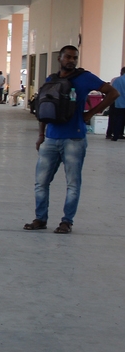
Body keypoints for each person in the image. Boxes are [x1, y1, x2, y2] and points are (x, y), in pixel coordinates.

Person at [24, 45, 119, 234]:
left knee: (73, 183)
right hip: (51, 138)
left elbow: (113, 93)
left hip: (74, 138)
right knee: (41, 182)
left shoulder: (85, 77)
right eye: (68, 57)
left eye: (75, 57)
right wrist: (41, 135)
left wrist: (90, 113)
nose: (72, 60)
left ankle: (67, 222)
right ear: (60, 59)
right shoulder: (51, 79)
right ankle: (40, 219)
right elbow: (45, 109)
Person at [107, 67, 125, 141]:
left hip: (118, 103)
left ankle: (115, 136)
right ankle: (120, 134)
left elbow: (113, 92)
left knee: (117, 120)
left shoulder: (117, 80)